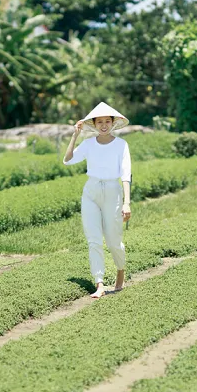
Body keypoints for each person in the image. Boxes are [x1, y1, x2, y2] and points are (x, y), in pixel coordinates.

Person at [63, 102, 132, 298]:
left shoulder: (121, 145)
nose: (103, 125)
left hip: (113, 192)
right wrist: (75, 135)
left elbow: (126, 175)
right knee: (94, 240)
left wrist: (127, 202)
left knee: (113, 241)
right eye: (99, 121)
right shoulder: (88, 144)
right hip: (91, 192)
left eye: (107, 121)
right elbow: (68, 160)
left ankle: (120, 270)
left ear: (113, 123)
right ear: (94, 124)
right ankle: (99, 283)